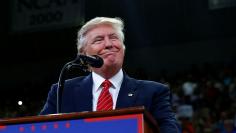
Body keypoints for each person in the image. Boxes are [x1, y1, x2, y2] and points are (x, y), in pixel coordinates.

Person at [40, 17, 180, 132]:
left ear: (123, 49)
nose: (108, 44)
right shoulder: (63, 91)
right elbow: (41, 129)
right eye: (99, 40)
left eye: (113, 38)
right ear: (83, 54)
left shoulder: (154, 92)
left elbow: (170, 130)